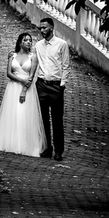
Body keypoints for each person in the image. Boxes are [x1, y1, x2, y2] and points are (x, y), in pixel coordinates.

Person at [0, 32, 47, 157]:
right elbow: (9, 73)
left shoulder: (33, 57)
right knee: (13, 113)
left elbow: (31, 77)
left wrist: (24, 90)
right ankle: (11, 141)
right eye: (25, 40)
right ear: (20, 42)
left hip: (27, 89)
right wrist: (20, 80)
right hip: (12, 87)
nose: (29, 42)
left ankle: (24, 144)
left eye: (30, 40)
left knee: (24, 114)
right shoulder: (12, 55)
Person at [33, 17, 71, 160]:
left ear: (51, 28)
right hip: (41, 85)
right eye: (40, 28)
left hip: (56, 86)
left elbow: (66, 65)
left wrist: (62, 85)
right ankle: (47, 148)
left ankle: (58, 151)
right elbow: (34, 62)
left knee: (57, 120)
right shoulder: (38, 45)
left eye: (44, 27)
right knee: (43, 119)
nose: (42, 30)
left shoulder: (62, 44)